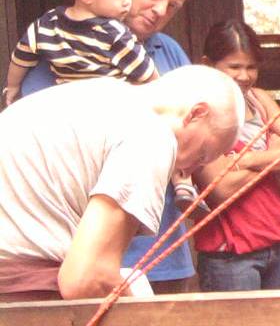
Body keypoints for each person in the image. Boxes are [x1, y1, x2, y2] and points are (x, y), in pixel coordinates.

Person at [18, 0, 207, 293]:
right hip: (83, 255)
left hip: (164, 251)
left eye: (173, 5)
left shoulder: (171, 52)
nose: (159, 9)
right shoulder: (61, 48)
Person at [0, 65, 244, 302]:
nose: (188, 169)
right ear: (196, 113)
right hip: (21, 295)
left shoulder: (96, 95)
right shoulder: (152, 135)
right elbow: (85, 279)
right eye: (202, 154)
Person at [191, 20, 280, 326]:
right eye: (234, 67)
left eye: (251, 67)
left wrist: (247, 161)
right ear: (209, 63)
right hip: (232, 253)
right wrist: (274, 155)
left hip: (278, 239)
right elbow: (221, 189)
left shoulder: (260, 100)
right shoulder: (198, 111)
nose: (244, 76)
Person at [4, 0, 157, 106]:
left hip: (70, 108)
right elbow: (147, 74)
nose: (127, 2)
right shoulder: (114, 32)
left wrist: (13, 86)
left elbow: (20, 57)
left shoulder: (47, 24)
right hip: (111, 106)